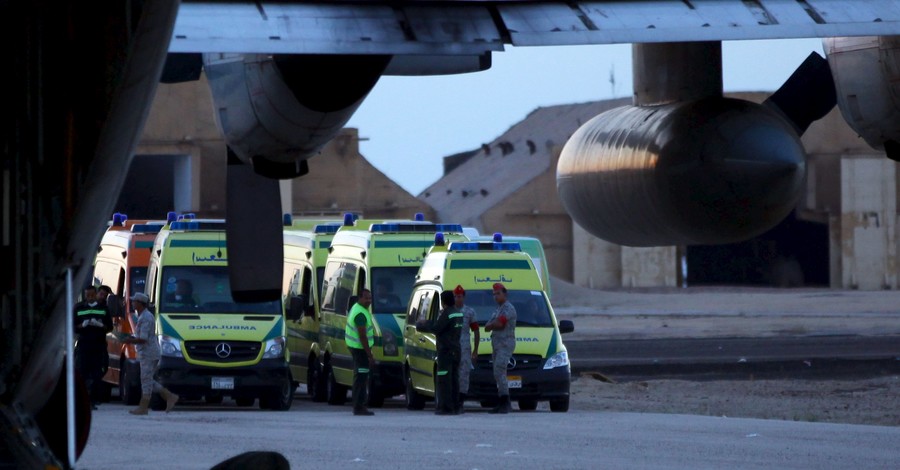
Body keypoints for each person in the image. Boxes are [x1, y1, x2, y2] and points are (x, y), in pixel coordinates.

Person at [122, 292, 179, 415]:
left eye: (134, 301)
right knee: (147, 379)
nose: (132, 303)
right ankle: (169, 396)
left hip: (149, 353)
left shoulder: (146, 317)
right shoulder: (143, 316)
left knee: (146, 379)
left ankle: (144, 407)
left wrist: (129, 341)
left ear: (140, 303)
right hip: (147, 352)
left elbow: (143, 338)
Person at [416, 290, 463, 415]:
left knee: (444, 379)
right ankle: (456, 406)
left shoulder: (447, 313)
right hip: (456, 349)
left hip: (445, 351)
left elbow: (437, 328)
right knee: (454, 379)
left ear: (443, 302)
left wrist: (423, 325)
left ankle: (446, 407)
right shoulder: (458, 313)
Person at [73, 285, 112, 409]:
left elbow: (109, 327)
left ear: (95, 294)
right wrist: (81, 326)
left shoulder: (103, 308)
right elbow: (73, 326)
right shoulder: (79, 308)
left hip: (98, 346)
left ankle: (92, 400)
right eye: (87, 295)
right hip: (83, 345)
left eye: (91, 295)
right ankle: (80, 401)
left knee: (96, 374)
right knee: (81, 373)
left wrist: (100, 325)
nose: (89, 298)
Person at [484, 282, 517, 414]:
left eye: (498, 293)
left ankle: (505, 402)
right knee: (497, 373)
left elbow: (500, 324)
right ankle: (502, 400)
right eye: (494, 294)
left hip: (505, 344)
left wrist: (493, 324)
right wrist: (493, 324)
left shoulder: (508, 308)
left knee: (500, 371)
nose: (495, 296)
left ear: (505, 294)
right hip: (497, 345)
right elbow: (487, 327)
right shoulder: (498, 310)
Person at [345, 289, 376, 416]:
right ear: (360, 298)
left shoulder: (357, 308)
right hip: (360, 349)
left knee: (360, 377)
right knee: (361, 379)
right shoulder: (360, 314)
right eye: (366, 298)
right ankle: (359, 407)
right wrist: (369, 354)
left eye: (370, 298)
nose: (369, 301)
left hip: (356, 347)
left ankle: (358, 406)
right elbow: (362, 335)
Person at [453, 285, 479, 411]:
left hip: (464, 347)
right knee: (452, 373)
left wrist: (475, 350)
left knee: (464, 374)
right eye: (456, 297)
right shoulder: (449, 311)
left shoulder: (469, 312)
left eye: (460, 297)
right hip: (452, 346)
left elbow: (476, 331)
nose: (458, 299)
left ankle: (461, 401)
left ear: (463, 297)